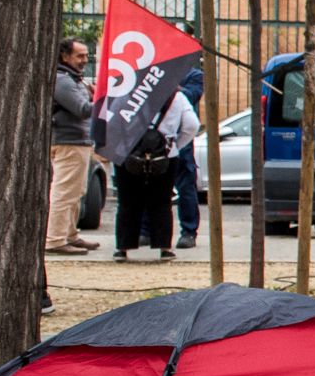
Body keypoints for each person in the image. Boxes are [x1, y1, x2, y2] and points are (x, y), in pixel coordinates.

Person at [113, 87, 198, 261]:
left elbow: (112, 121)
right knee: (161, 202)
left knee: (127, 201)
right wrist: (175, 146)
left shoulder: (125, 93)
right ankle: (164, 247)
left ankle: (123, 247)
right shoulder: (177, 96)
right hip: (164, 154)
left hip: (128, 152)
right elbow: (191, 125)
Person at [47, 38, 98, 254]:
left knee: (76, 191)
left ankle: (70, 234)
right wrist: (104, 101)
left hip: (77, 141)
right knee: (65, 191)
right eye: (79, 56)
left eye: (86, 55)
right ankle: (55, 239)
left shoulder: (72, 79)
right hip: (69, 142)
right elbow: (82, 109)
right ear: (64, 56)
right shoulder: (63, 80)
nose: (84, 60)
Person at [171, 67, 205, 249]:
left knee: (186, 188)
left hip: (181, 139)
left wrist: (166, 87)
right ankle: (146, 231)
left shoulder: (193, 75)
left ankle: (189, 231)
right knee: (152, 189)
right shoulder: (156, 70)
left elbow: (190, 96)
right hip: (155, 139)